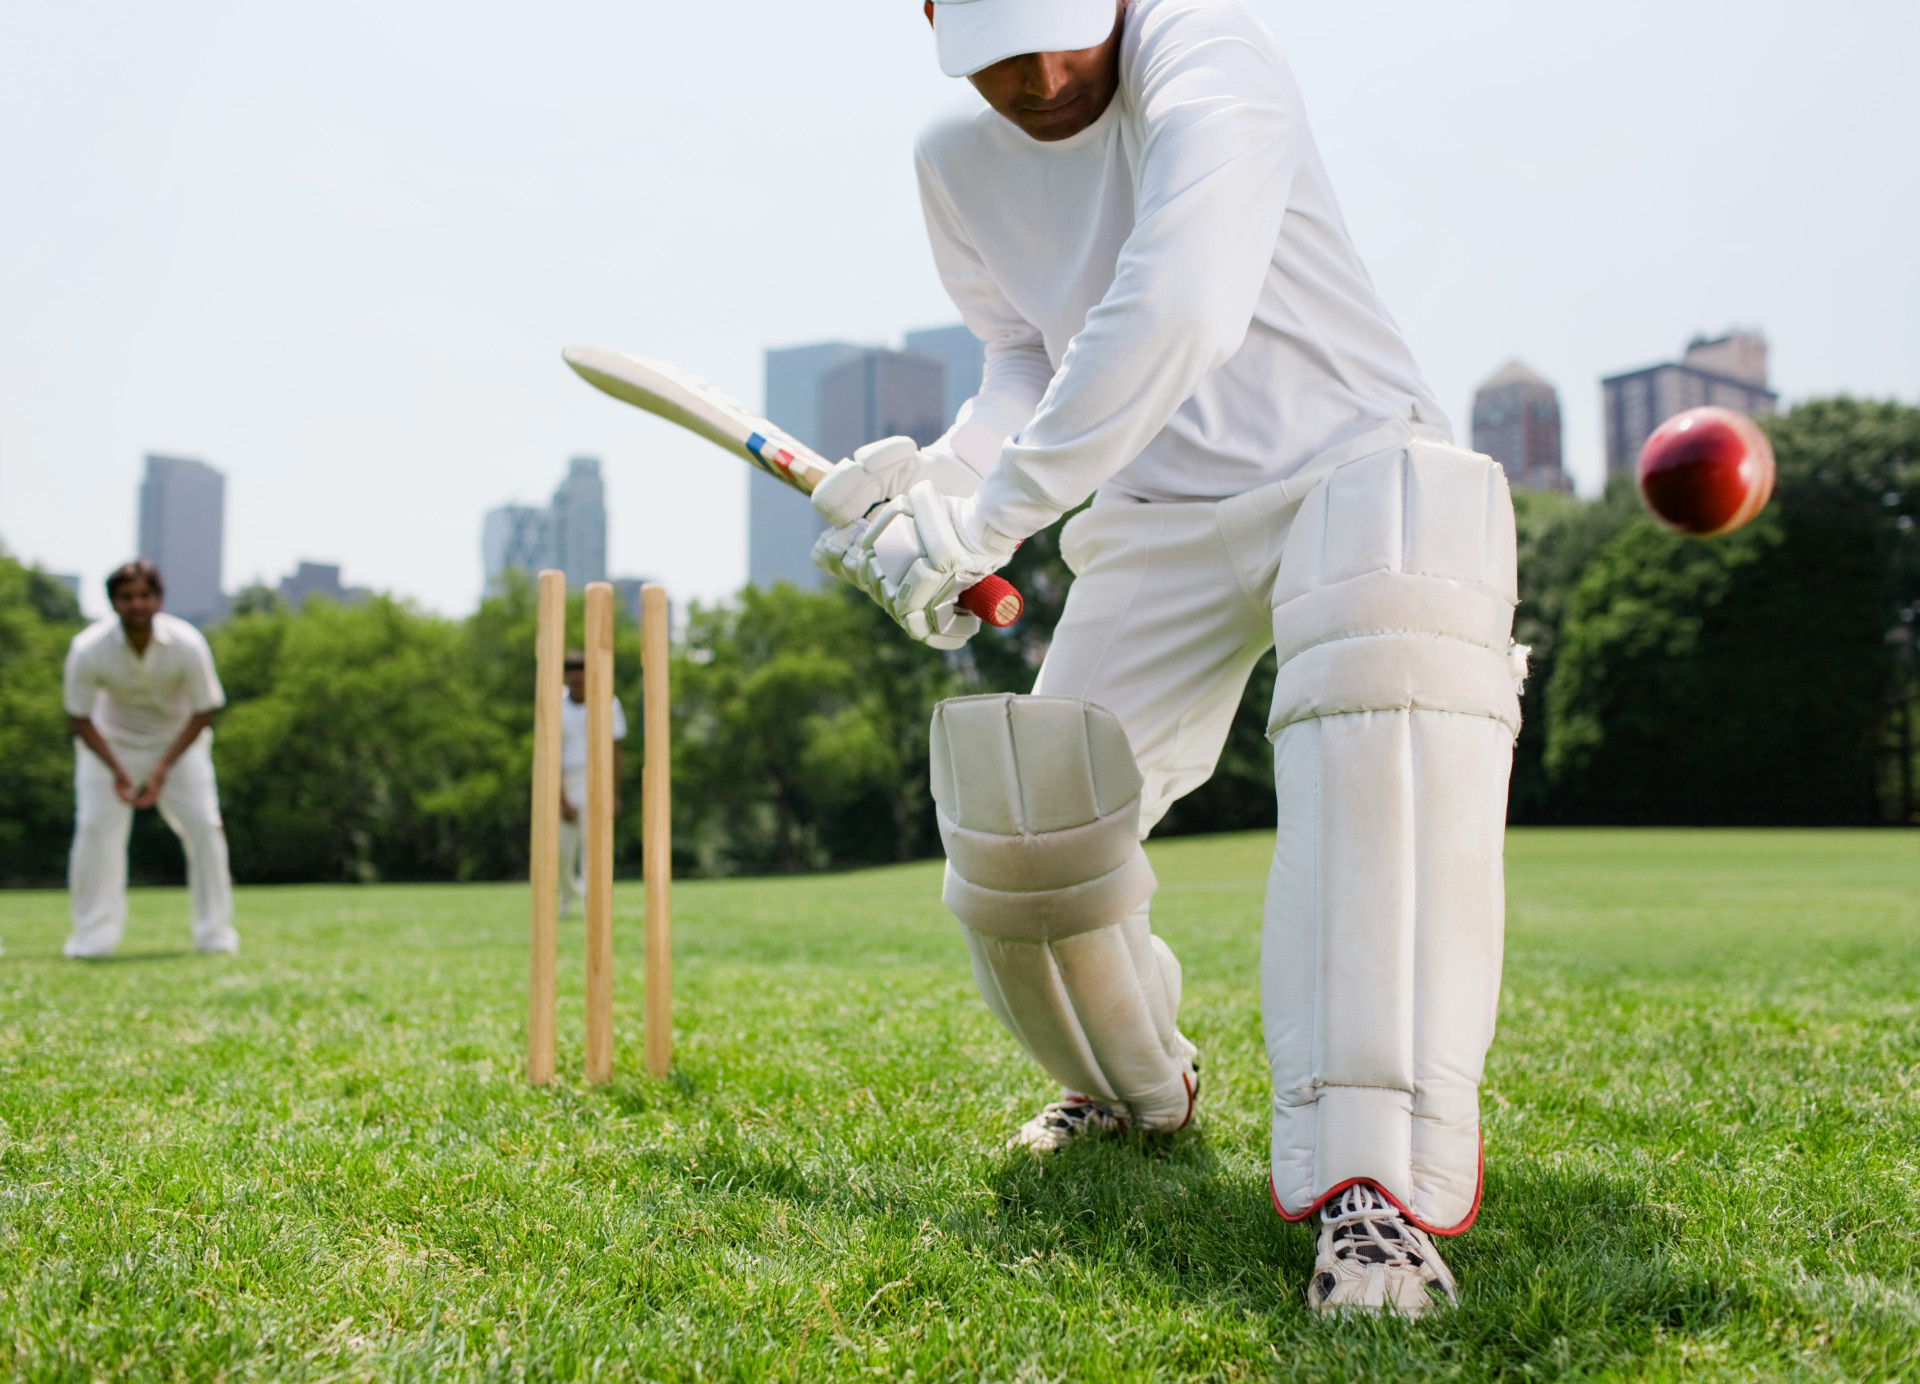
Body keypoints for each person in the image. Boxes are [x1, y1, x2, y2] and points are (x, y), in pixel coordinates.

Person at [810, 0, 1524, 1316]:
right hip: (1155, 512)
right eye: (998, 46)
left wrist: (990, 519)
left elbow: (1178, 305)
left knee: (1385, 763)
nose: (1042, 73)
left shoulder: (1209, 48)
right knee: (1031, 835)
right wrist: (935, 492)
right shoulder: (953, 159)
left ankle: (1375, 1195)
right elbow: (1025, 355)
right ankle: (1134, 1089)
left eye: (1061, 26)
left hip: (1355, 466)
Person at [63, 560, 237, 957]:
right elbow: (79, 717)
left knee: (205, 827)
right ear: (113, 602)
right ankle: (93, 937)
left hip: (178, 745)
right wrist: (118, 770)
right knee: (94, 829)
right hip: (109, 746)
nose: (137, 604)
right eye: (127, 597)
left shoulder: (188, 644)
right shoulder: (88, 649)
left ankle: (215, 934)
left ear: (158, 599)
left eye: (145, 595)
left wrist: (161, 769)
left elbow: (205, 709)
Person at [556, 650, 626, 916]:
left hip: (598, 780)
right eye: (571, 670)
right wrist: (561, 797)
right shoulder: (556, 703)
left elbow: (616, 749)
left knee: (595, 850)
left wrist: (614, 793)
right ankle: (567, 894)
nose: (577, 675)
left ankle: (593, 903)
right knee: (561, 852)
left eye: (581, 669)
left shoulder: (607, 702)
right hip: (567, 780)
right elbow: (551, 752)